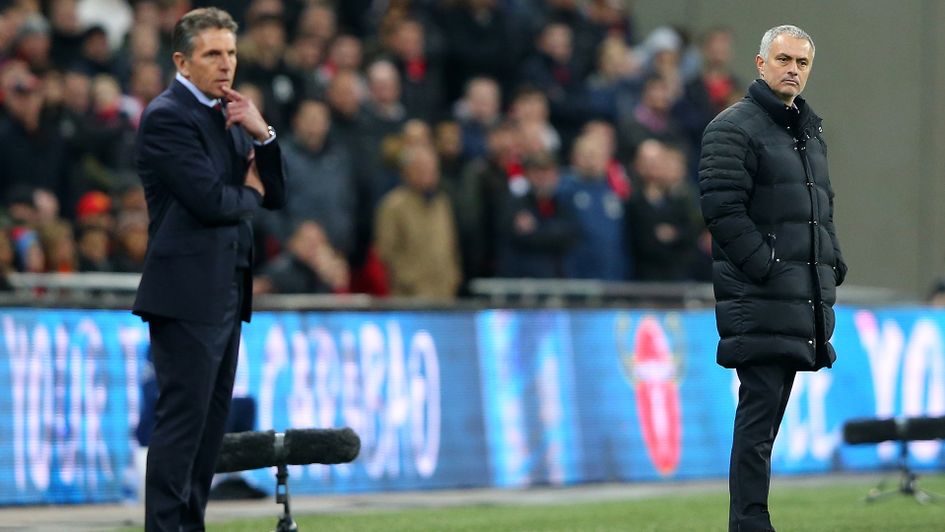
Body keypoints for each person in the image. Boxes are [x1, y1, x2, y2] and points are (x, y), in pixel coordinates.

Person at [132, 7, 286, 531]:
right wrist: (250, 189)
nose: (226, 65)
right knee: (182, 426)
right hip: (185, 293)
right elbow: (214, 201)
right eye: (213, 54)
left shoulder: (232, 111)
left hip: (225, 290)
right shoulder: (168, 115)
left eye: (232, 53)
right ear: (182, 60)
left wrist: (263, 135)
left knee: (207, 430)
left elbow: (276, 195)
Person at [698, 25, 847, 532]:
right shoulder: (733, 127)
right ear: (760, 65)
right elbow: (722, 210)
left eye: (801, 63)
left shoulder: (807, 131)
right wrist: (768, 267)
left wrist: (832, 259)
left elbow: (817, 210)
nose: (793, 69)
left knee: (766, 422)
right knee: (758, 422)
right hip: (761, 298)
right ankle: (749, 523)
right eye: (783, 59)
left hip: (793, 298)